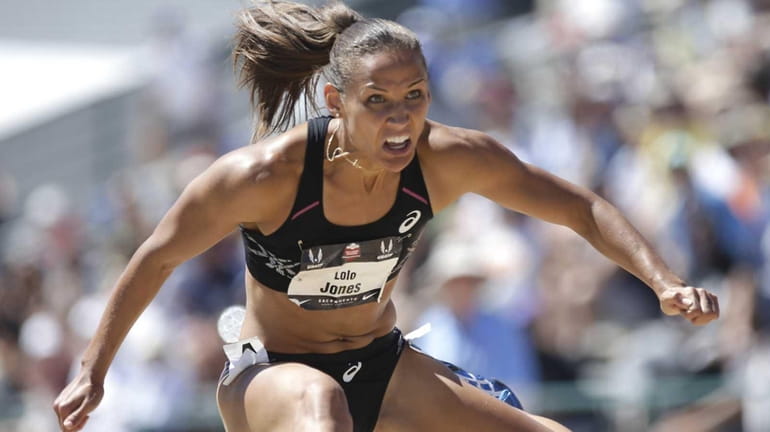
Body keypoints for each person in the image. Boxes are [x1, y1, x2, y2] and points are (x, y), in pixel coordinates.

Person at [52, 1, 720, 431]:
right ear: (334, 99)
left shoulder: (449, 159)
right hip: (269, 377)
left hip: (383, 363)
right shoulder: (262, 176)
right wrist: (93, 368)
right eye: (378, 101)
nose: (401, 118)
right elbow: (157, 258)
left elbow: (580, 206)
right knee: (320, 409)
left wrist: (661, 280)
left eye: (416, 96)